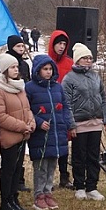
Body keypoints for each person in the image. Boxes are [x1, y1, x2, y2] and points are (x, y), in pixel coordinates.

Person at [63, 43, 106, 201]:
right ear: (77, 60)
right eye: (85, 58)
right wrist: (71, 124)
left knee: (93, 155)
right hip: (79, 124)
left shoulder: (96, 76)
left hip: (96, 122)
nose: (88, 60)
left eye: (90, 58)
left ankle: (92, 186)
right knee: (79, 156)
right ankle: (79, 186)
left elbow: (103, 98)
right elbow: (67, 104)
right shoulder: (69, 78)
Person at [25, 55, 73, 210]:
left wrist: (66, 123)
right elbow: (27, 110)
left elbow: (64, 106)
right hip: (41, 133)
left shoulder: (57, 87)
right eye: (45, 69)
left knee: (52, 163)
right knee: (41, 165)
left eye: (50, 69)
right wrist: (38, 122)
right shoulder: (30, 88)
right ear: (38, 70)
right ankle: (39, 194)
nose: (48, 72)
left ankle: (48, 191)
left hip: (56, 131)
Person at [0, 53, 35, 210]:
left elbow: (27, 109)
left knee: (17, 169)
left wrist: (31, 122)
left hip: (22, 135)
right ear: (4, 70)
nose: (16, 70)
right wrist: (22, 126)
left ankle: (14, 198)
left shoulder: (20, 87)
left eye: (17, 67)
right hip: (9, 137)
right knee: (8, 169)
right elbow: (0, 116)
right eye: (12, 67)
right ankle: (5, 202)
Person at [47, 30, 74, 189]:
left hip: (65, 107)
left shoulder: (69, 63)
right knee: (50, 143)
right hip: (49, 106)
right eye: (59, 43)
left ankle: (64, 176)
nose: (61, 47)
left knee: (64, 143)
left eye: (64, 44)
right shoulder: (45, 62)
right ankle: (47, 179)